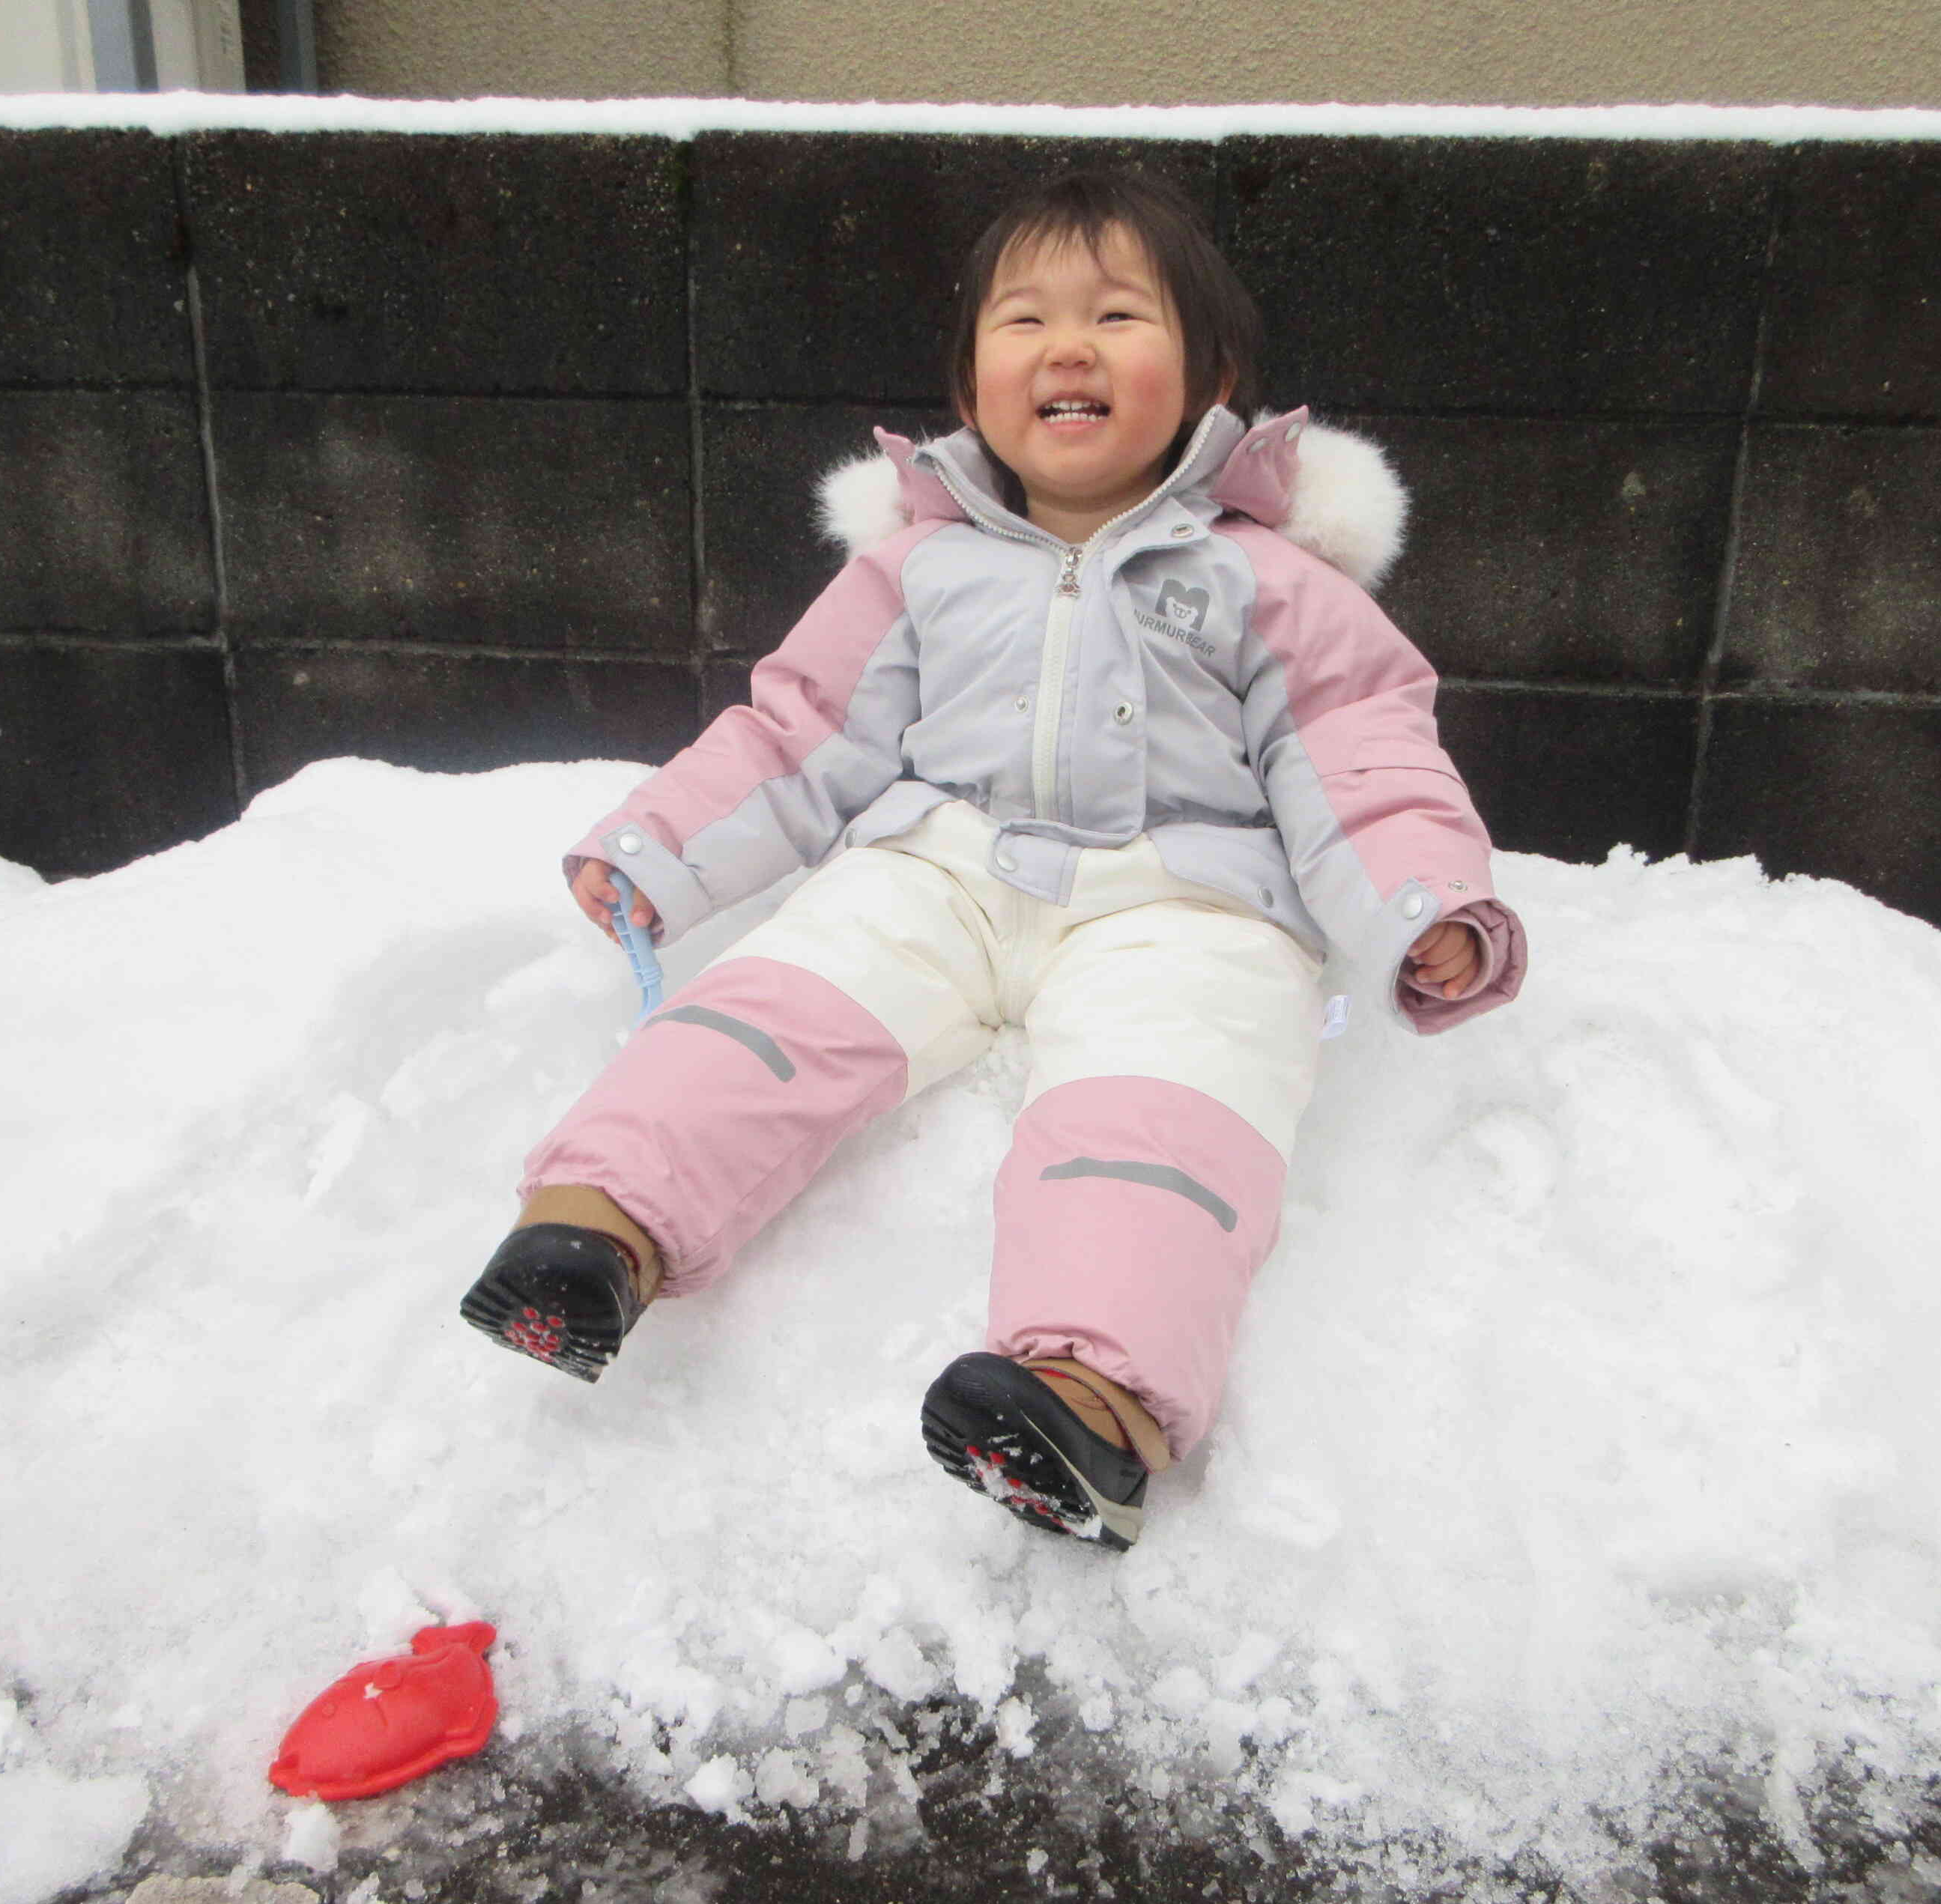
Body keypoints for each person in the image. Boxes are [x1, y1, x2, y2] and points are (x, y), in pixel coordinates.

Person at [461, 167, 1523, 1550]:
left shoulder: (1272, 581)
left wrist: (1426, 904)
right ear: (971, 389)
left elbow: (1362, 758)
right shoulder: (916, 569)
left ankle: (1088, 1404)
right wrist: (661, 846)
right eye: (1024, 320)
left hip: (1190, 903)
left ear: (1211, 380)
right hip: (941, 866)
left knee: (1165, 1118)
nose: (1068, 347)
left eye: (1119, 317)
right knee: (775, 1013)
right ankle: (593, 1234)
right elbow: (802, 729)